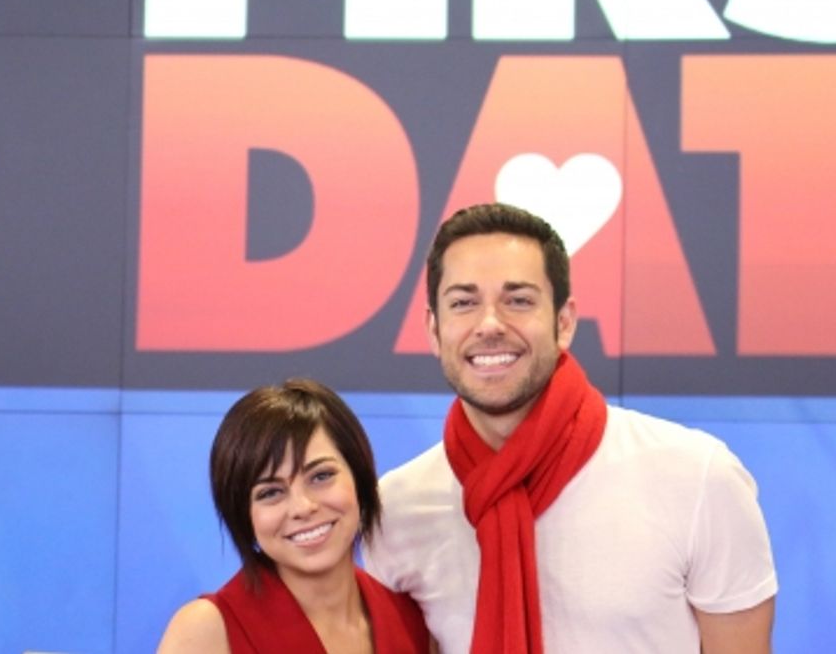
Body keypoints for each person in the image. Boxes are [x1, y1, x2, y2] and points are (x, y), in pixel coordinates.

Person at [364, 203, 777, 653]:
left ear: (564, 323)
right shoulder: (397, 510)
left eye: (518, 300)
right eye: (463, 303)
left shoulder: (698, 477)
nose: (489, 325)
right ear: (433, 329)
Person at [157, 378, 429, 654]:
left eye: (321, 476)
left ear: (358, 477)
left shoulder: (411, 619)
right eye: (270, 493)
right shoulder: (208, 630)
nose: (302, 507)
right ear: (244, 515)